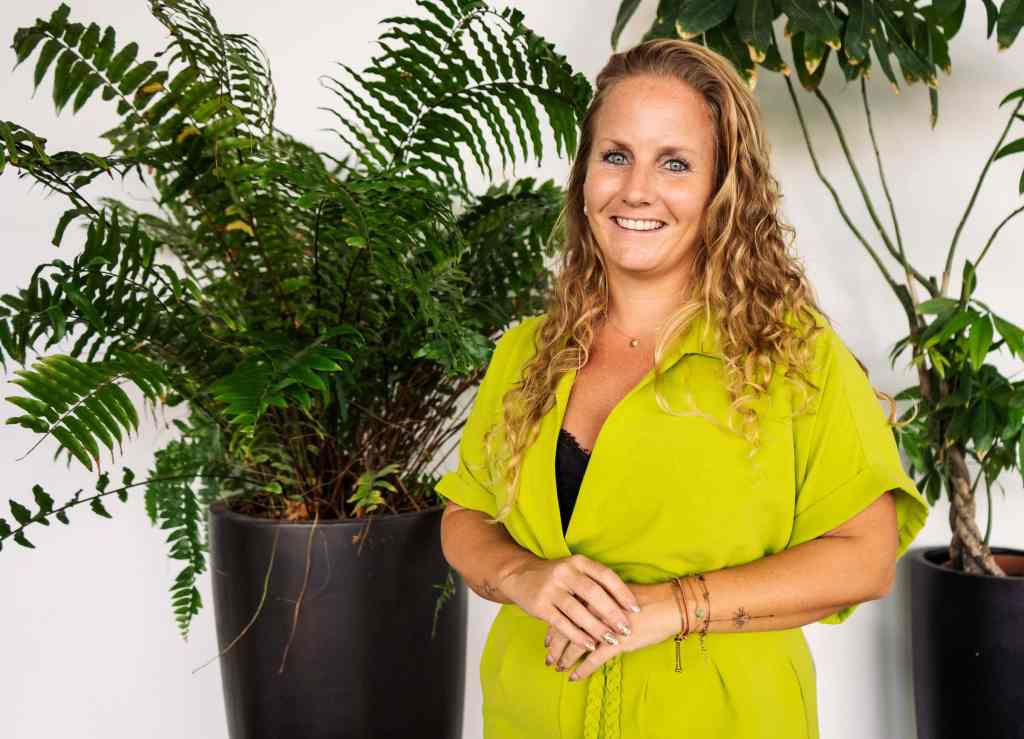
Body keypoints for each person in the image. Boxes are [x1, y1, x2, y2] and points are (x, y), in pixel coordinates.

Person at [437, 38, 929, 739]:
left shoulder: (793, 355)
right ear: (584, 177)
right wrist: (521, 576)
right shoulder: (525, 352)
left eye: (675, 163)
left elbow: (866, 556)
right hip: (532, 713)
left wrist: (673, 605)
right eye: (616, 156)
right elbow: (466, 516)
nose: (636, 189)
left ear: (722, 190)